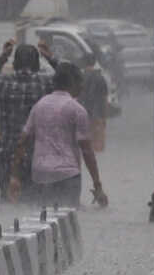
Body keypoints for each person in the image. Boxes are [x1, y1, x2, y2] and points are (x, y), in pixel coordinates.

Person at [20, 61, 109, 210]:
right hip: (67, 175)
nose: (82, 86)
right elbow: (87, 150)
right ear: (72, 82)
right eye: (80, 81)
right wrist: (97, 185)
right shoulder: (77, 110)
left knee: (42, 219)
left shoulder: (39, 105)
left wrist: (16, 176)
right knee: (68, 218)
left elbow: (23, 141)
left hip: (40, 175)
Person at [0, 42, 56, 203]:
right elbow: (70, 77)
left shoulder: (2, 83)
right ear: (37, 64)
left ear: (14, 64)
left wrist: (3, 57)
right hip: (37, 154)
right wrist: (51, 59)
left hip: (7, 153)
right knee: (34, 205)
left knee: (8, 202)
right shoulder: (46, 84)